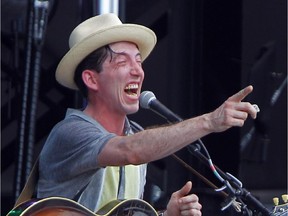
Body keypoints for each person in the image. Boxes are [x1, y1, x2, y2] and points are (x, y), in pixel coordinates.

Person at [36, 13, 258, 216]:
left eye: (139, 61)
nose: (138, 71)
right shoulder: (70, 132)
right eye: (123, 62)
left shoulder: (135, 134)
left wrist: (166, 215)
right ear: (91, 79)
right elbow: (131, 150)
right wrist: (210, 120)